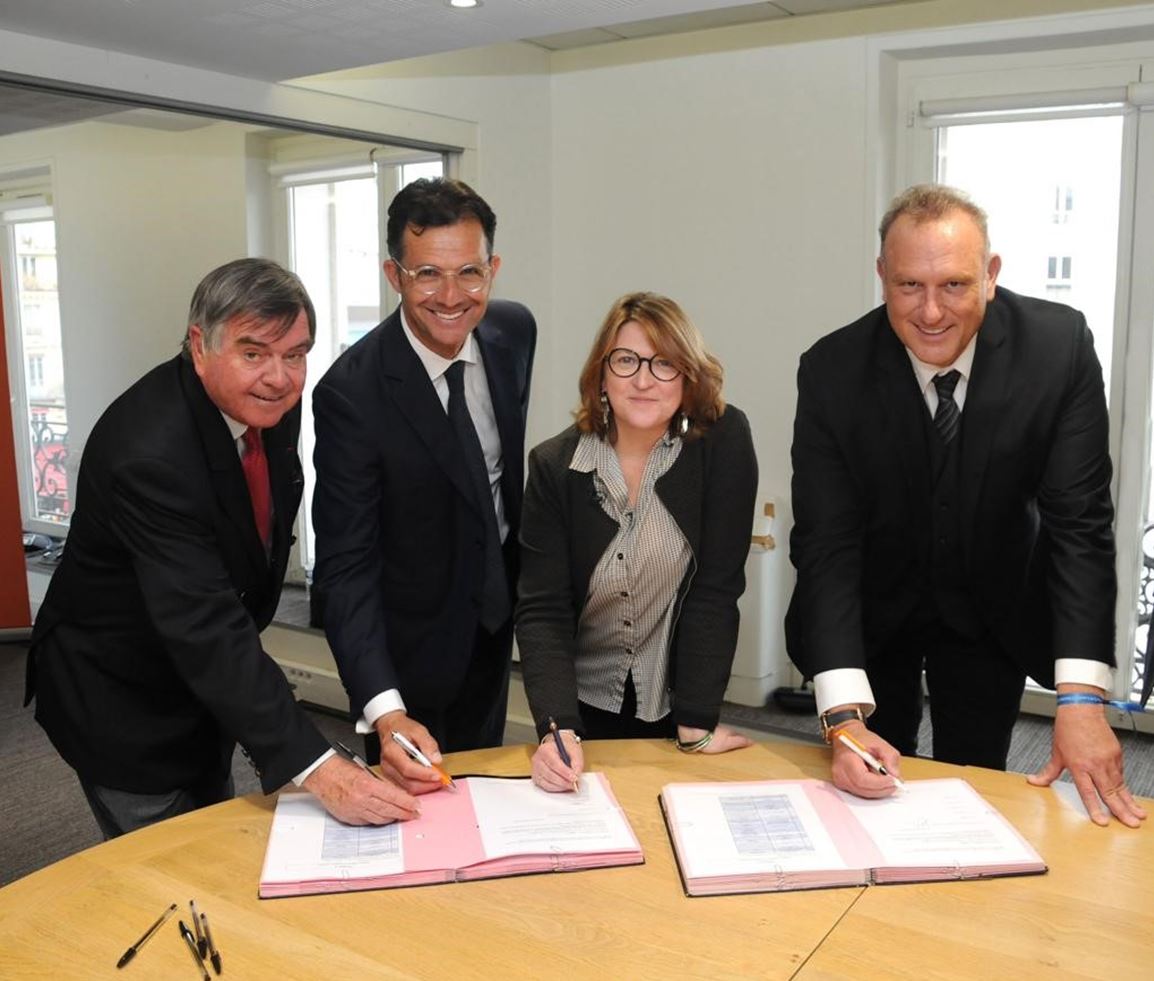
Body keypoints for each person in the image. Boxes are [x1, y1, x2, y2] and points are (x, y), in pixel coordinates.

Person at [786, 183, 1146, 828]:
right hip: (871, 606)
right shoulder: (831, 370)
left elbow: (1080, 526)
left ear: (991, 275)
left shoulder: (1056, 349)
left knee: (975, 784)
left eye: (954, 285)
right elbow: (827, 542)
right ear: (881, 277)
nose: (930, 312)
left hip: (994, 605)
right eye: (907, 287)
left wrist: (1081, 699)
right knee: (864, 786)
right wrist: (841, 718)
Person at [24, 258, 421, 838]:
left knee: (216, 831)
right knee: (168, 872)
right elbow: (204, 624)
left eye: (296, 354)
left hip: (205, 692)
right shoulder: (149, 452)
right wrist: (320, 768)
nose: (281, 378)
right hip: (122, 697)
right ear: (199, 345)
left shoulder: (268, 405)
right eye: (253, 352)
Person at [311, 178, 536, 783]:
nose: (451, 296)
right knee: (411, 823)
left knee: (484, 798)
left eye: (469, 272)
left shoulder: (512, 334)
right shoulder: (350, 395)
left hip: (491, 627)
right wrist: (385, 710)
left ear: (492, 268)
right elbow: (344, 566)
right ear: (394, 275)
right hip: (406, 653)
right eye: (427, 274)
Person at [516, 292, 758, 793]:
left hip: (676, 696)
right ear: (601, 375)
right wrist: (556, 729)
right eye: (626, 361)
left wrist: (695, 721)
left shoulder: (723, 442)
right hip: (579, 706)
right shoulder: (554, 468)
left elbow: (716, 588)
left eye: (664, 363)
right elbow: (543, 610)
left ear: (687, 376)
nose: (644, 380)